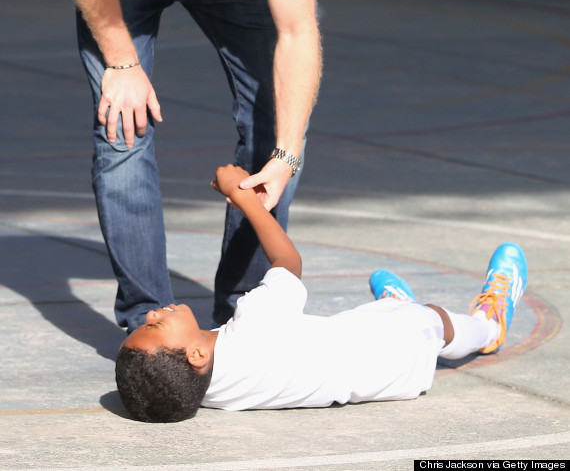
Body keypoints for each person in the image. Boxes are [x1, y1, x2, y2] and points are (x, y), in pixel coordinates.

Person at [59, 0, 321, 332]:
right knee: (120, 127)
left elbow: (297, 34)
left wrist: (288, 156)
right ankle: (150, 321)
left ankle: (246, 315)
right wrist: (121, 61)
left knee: (274, 133)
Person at [115, 164, 529, 423]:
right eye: (154, 329)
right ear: (196, 356)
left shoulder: (201, 392)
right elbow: (288, 264)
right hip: (393, 351)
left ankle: (394, 307)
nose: (152, 316)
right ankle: (488, 325)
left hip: (359, 361)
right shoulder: (253, 331)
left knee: (356, 323)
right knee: (434, 321)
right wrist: (244, 201)